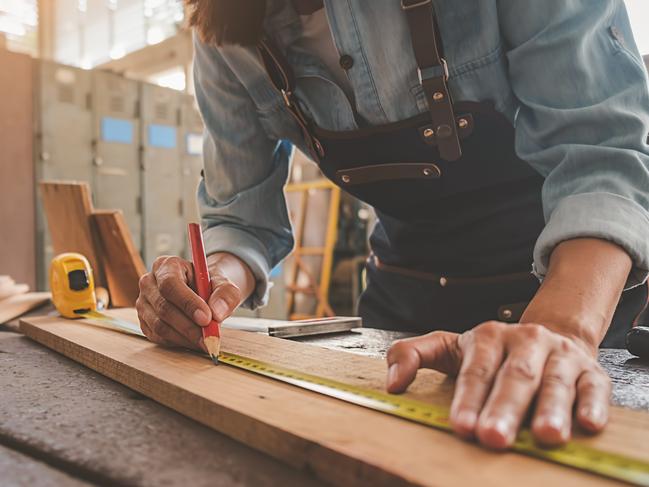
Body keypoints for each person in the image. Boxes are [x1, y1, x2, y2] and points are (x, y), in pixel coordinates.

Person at [136, 0, 649, 450]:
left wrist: (561, 331)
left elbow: (601, 157)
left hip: (576, 291)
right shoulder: (223, 28)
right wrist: (213, 284)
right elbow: (239, 217)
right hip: (405, 299)